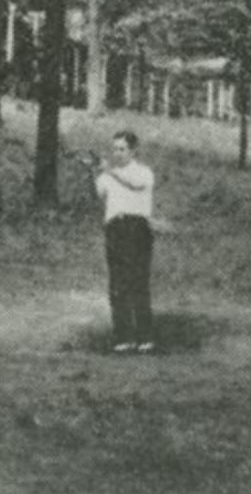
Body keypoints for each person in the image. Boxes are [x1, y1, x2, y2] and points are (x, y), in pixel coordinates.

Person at [94, 130, 156, 354]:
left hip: (137, 228)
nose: (117, 154)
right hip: (115, 230)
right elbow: (99, 194)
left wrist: (108, 171)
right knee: (118, 284)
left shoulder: (144, 173)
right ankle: (124, 337)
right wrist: (96, 171)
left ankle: (145, 337)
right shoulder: (107, 176)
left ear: (133, 150)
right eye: (115, 149)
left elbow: (134, 185)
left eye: (122, 149)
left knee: (138, 281)